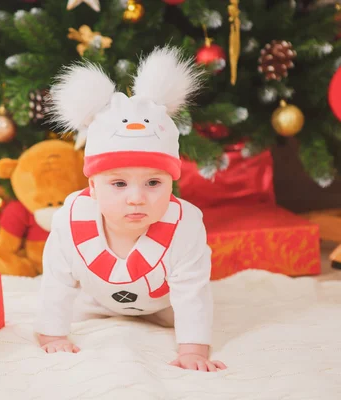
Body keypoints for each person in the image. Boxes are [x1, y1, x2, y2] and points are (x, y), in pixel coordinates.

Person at [35, 46, 227, 372]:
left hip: (164, 306)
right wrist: (52, 335)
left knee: (182, 308)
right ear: (92, 187)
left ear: (171, 183)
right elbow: (56, 282)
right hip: (98, 301)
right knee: (80, 300)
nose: (136, 198)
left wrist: (194, 350)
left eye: (153, 183)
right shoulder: (69, 222)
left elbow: (192, 292)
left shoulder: (185, 228)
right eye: (119, 184)